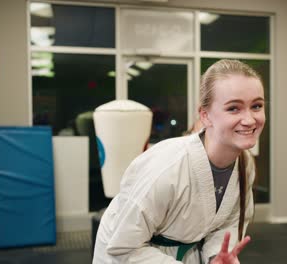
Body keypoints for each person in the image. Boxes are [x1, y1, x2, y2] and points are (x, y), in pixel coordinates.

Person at [93, 59, 266, 264]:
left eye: (256, 106)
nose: (249, 119)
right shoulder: (167, 168)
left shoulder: (244, 164)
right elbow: (123, 246)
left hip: (185, 254)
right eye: (234, 108)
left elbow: (227, 222)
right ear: (205, 115)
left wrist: (215, 257)